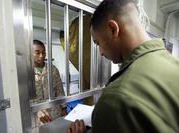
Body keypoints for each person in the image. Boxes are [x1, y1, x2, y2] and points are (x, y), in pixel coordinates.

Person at [67, 0, 179, 133]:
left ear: (113, 29)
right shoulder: (174, 65)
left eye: (98, 43)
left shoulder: (115, 98)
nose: (101, 53)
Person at [32, 39, 67, 125]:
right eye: (37, 53)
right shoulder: (26, 72)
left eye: (43, 52)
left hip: (55, 113)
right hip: (38, 116)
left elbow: (59, 90)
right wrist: (35, 110)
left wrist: (64, 108)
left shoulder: (53, 69)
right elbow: (24, 97)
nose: (41, 56)